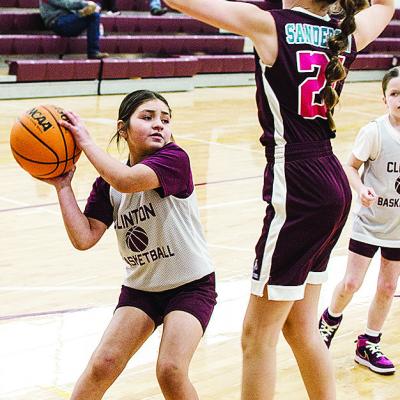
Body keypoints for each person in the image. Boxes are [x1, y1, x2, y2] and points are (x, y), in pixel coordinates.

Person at [163, 0, 394, 399]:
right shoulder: (344, 32)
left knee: (257, 336)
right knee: (301, 327)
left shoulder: (270, 25)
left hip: (299, 185)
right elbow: (388, 4)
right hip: (332, 179)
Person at [41, 90, 217, 399]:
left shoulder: (175, 159)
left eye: (165, 119)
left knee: (171, 370)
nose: (159, 125)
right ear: (123, 129)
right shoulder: (108, 184)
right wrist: (64, 186)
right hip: (142, 290)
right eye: (147, 118)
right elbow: (84, 237)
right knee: (102, 364)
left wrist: (85, 141)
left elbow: (127, 179)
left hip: (191, 286)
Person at [319, 66, 400, 376]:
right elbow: (351, 167)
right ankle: (328, 322)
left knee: (388, 285)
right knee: (352, 282)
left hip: (398, 227)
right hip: (370, 222)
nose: (399, 99)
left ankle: (369, 343)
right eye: (394, 93)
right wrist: (361, 188)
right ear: (384, 99)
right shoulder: (374, 132)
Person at [39, 0, 109, 59]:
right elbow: (67, 3)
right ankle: (93, 52)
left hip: (69, 20)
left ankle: (94, 52)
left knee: (94, 11)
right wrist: (86, 4)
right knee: (93, 14)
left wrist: (93, 6)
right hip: (58, 22)